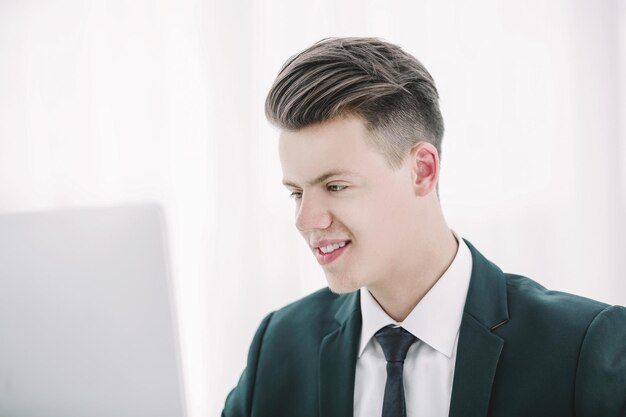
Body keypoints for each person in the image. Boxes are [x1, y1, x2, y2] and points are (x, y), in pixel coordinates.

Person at [222, 37, 626, 417]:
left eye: (336, 186)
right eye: (296, 192)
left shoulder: (581, 346)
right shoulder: (278, 346)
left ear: (422, 170)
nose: (306, 220)